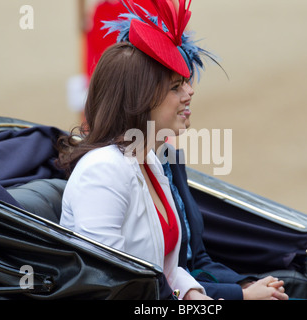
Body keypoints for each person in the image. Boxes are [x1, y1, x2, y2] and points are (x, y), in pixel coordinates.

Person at [57, 0, 215, 300]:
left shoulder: (150, 160)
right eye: (175, 86)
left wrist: (197, 298)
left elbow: (165, 270)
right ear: (141, 99)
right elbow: (109, 286)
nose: (190, 92)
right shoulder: (102, 171)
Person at [161, 84, 289, 300]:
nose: (189, 91)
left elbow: (196, 260)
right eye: (174, 86)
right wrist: (241, 295)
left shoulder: (166, 158)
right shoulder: (119, 170)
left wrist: (246, 284)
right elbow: (158, 288)